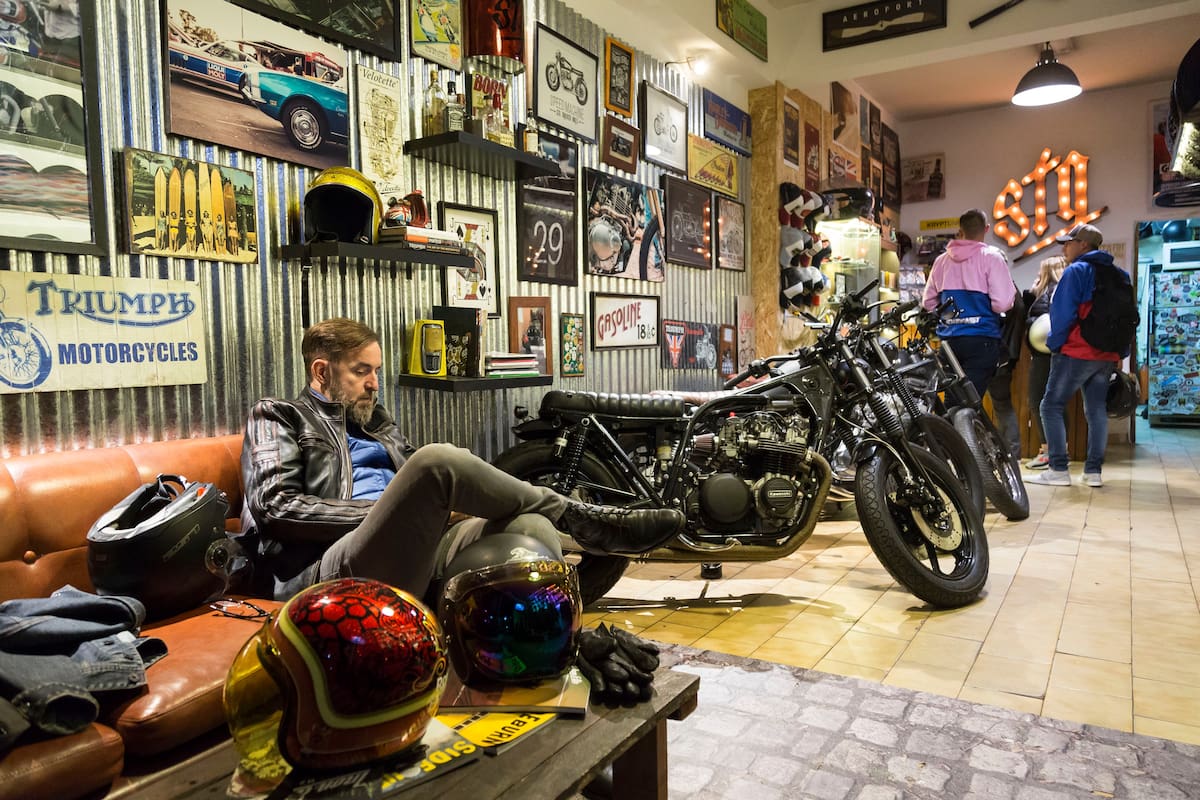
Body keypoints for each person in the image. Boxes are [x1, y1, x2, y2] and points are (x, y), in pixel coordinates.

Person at [240, 317, 684, 603]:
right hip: (324, 569)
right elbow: (278, 507)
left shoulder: (377, 422)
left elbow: (419, 488)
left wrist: (422, 512)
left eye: (376, 371)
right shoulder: (278, 415)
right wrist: (391, 513)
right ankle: (580, 517)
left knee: (531, 527)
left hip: (412, 550)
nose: (375, 383)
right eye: (362, 371)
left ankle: (549, 637)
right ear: (321, 372)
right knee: (438, 463)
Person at [1033, 223, 1130, 488]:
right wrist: (1120, 352)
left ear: (1083, 245)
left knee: (1050, 405)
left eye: (1069, 242)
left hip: (1076, 350)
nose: (1065, 247)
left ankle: (1058, 469)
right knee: (1096, 410)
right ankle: (1093, 471)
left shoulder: (1077, 270)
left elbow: (1062, 314)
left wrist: (1055, 344)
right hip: (1105, 355)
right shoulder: (1120, 275)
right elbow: (1127, 318)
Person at [921, 208, 1016, 397]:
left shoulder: (941, 261)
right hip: (982, 339)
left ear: (961, 230)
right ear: (986, 228)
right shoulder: (992, 258)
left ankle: (949, 426)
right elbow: (1003, 304)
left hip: (949, 341)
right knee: (970, 402)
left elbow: (928, 302)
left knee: (952, 398)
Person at [1023, 255, 1068, 469]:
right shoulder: (1065, 292)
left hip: (1044, 356)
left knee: (1037, 399)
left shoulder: (1046, 294)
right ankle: (1059, 450)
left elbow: (1039, 326)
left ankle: (1049, 451)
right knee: (1056, 403)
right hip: (1063, 355)